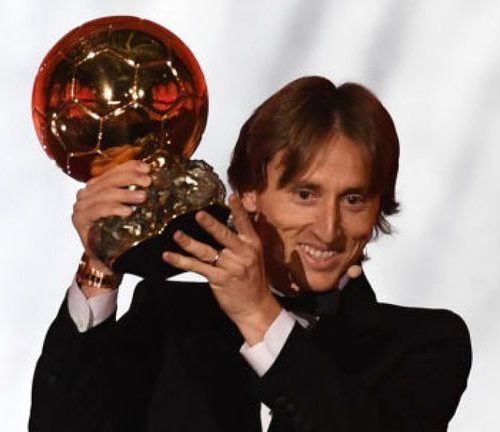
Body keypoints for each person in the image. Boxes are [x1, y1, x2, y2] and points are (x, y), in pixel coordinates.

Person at [30, 76, 471, 432]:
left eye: (353, 200)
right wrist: (101, 262)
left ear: (378, 209)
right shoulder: (170, 320)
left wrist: (259, 315)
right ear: (249, 193)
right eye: (305, 194)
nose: (329, 229)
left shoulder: (427, 345)